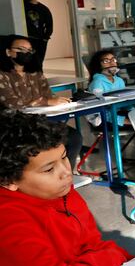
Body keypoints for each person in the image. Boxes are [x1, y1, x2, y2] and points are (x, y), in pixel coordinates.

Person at [0, 111, 132, 266]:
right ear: (9, 180)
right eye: (48, 169)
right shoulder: (7, 220)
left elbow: (92, 242)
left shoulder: (59, 191)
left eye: (64, 158)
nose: (66, 172)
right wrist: (114, 256)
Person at [0, 35, 83, 168]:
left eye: (29, 50)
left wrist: (56, 101)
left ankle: (67, 174)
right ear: (8, 51)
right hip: (14, 124)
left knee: (74, 137)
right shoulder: (2, 74)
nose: (26, 53)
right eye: (21, 49)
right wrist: (43, 101)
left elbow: (48, 95)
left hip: (40, 120)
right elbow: (11, 103)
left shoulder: (35, 73)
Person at [87, 50, 127, 126]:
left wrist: (133, 112)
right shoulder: (97, 83)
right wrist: (126, 121)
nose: (112, 63)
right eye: (106, 61)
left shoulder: (119, 80)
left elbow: (126, 101)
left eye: (113, 60)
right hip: (104, 120)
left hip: (118, 112)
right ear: (98, 65)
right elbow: (100, 111)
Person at [22, 0, 53, 66]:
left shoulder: (43, 9)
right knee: (26, 61)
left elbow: (49, 24)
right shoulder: (22, 5)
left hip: (39, 39)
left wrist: (45, 38)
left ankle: (38, 77)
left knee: (38, 61)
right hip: (26, 38)